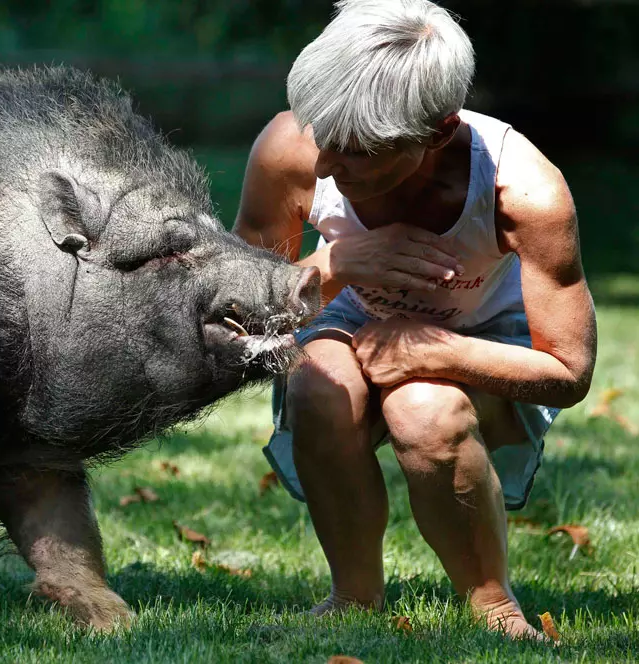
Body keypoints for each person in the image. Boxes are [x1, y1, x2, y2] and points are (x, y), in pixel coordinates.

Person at [233, 0, 596, 638]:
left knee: (425, 410)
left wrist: (431, 353)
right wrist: (337, 263)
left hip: (487, 335)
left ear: (436, 131)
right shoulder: (290, 149)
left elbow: (568, 371)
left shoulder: (525, 191)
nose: (323, 164)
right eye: (322, 132)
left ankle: (493, 609)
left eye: (356, 149)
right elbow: (239, 312)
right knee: (318, 384)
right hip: (346, 311)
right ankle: (353, 596)